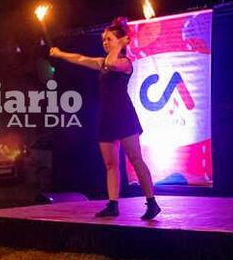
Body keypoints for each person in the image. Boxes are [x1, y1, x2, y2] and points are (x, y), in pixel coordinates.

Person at [50, 16, 161, 220]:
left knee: (136, 159)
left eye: (109, 39)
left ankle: (152, 202)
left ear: (120, 41)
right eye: (104, 40)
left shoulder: (125, 63)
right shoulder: (103, 62)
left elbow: (111, 62)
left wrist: (118, 45)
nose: (105, 42)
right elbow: (81, 59)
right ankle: (112, 204)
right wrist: (60, 54)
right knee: (110, 164)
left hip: (124, 116)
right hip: (106, 117)